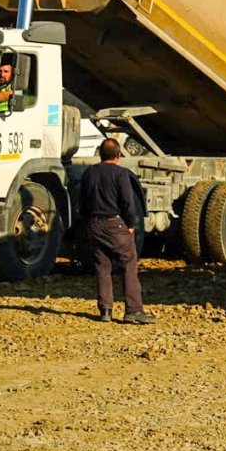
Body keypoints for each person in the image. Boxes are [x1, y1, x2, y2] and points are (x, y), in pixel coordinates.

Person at [79, 137, 155, 324]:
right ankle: (133, 310)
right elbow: (128, 202)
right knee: (128, 263)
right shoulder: (121, 174)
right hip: (115, 223)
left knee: (102, 266)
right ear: (119, 155)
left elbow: (82, 201)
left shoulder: (89, 173)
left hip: (94, 223)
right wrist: (130, 224)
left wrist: (89, 222)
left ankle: (105, 310)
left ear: (100, 153)